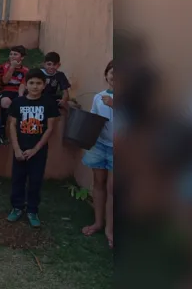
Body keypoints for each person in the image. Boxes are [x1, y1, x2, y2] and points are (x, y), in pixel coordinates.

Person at [6, 69, 60, 227]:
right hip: (20, 149)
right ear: (26, 85)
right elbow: (12, 125)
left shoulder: (48, 102)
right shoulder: (18, 102)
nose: (35, 86)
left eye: (38, 83)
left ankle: (32, 210)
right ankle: (16, 207)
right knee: (18, 179)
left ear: (44, 85)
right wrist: (16, 149)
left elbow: (50, 129)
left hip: (38, 151)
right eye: (31, 83)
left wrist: (35, 150)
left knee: (35, 181)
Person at [81, 60, 114, 248]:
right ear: (106, 75)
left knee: (113, 189)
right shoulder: (99, 97)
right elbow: (94, 119)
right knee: (99, 184)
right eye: (112, 72)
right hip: (100, 146)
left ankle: (111, 229)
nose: (115, 77)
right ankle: (98, 223)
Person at [0, 45, 29, 143]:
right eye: (11, 54)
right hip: (6, 90)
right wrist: (12, 67)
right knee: (5, 102)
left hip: (19, 91)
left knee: (22, 104)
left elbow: (23, 84)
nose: (12, 56)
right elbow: (5, 81)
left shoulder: (26, 70)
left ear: (22, 57)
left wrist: (20, 96)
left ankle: (22, 131)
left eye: (15, 54)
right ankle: (2, 129)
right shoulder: (5, 66)